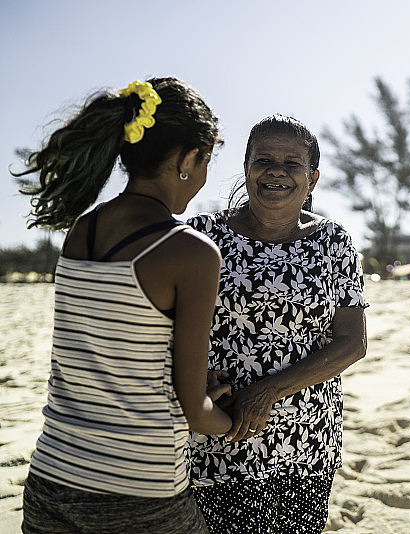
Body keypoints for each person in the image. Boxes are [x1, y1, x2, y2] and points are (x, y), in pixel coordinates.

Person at [14, 77, 233, 534]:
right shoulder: (191, 252)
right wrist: (232, 421)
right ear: (187, 160)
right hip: (138, 491)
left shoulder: (82, 231)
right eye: (206, 161)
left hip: (52, 475)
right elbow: (194, 410)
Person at [186, 114, 368, 533]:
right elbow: (167, 326)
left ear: (312, 178)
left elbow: (352, 342)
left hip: (307, 439)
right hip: (219, 432)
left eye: (292, 163)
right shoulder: (202, 235)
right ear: (247, 168)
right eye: (264, 160)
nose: (276, 172)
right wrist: (196, 380)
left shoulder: (333, 241)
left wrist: (267, 391)